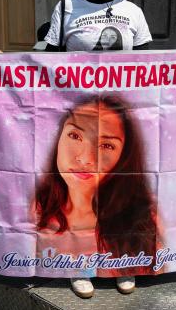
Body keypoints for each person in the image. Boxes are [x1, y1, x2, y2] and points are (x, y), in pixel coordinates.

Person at [0, 0, 152, 297]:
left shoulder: (133, 13)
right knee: (75, 191)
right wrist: (5, 62)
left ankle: (120, 262)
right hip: (74, 114)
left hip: (117, 120)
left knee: (116, 189)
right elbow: (40, 56)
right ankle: (78, 264)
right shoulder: (66, 9)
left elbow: (151, 66)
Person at [34, 95, 158, 297]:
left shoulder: (145, 213)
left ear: (123, 156)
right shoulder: (36, 209)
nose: (85, 159)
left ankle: (128, 265)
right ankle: (78, 270)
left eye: (106, 145)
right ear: (58, 136)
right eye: (75, 136)